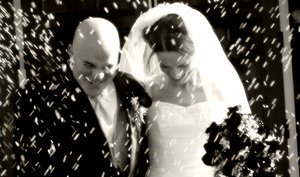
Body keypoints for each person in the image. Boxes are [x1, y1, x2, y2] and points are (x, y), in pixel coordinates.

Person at [119, 3, 251, 177]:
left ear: (197, 51)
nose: (175, 73)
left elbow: (238, 145)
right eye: (165, 65)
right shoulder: (146, 91)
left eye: (183, 64)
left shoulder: (219, 88)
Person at [13, 17, 151, 177]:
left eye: (108, 66)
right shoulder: (37, 97)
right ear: (71, 51)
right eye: (88, 65)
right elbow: (28, 169)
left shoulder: (133, 88)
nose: (98, 76)